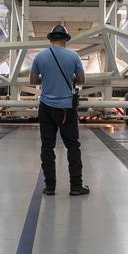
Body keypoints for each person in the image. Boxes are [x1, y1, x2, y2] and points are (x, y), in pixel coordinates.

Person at [30, 24, 89, 196]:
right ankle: (76, 186)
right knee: (73, 146)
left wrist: (47, 78)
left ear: (51, 39)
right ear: (65, 40)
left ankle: (50, 187)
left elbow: (33, 80)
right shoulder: (74, 56)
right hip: (67, 108)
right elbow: (81, 79)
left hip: (46, 107)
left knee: (47, 147)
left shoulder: (40, 57)